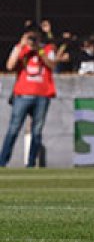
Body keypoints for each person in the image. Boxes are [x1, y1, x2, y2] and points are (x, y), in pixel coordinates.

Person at [0, 25, 56, 167]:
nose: (32, 39)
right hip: (22, 94)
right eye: (30, 36)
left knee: (37, 130)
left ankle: (31, 163)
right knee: (14, 128)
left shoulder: (47, 49)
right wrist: (21, 46)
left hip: (42, 94)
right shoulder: (21, 49)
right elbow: (10, 65)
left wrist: (39, 50)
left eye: (34, 37)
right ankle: (3, 161)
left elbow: (52, 65)